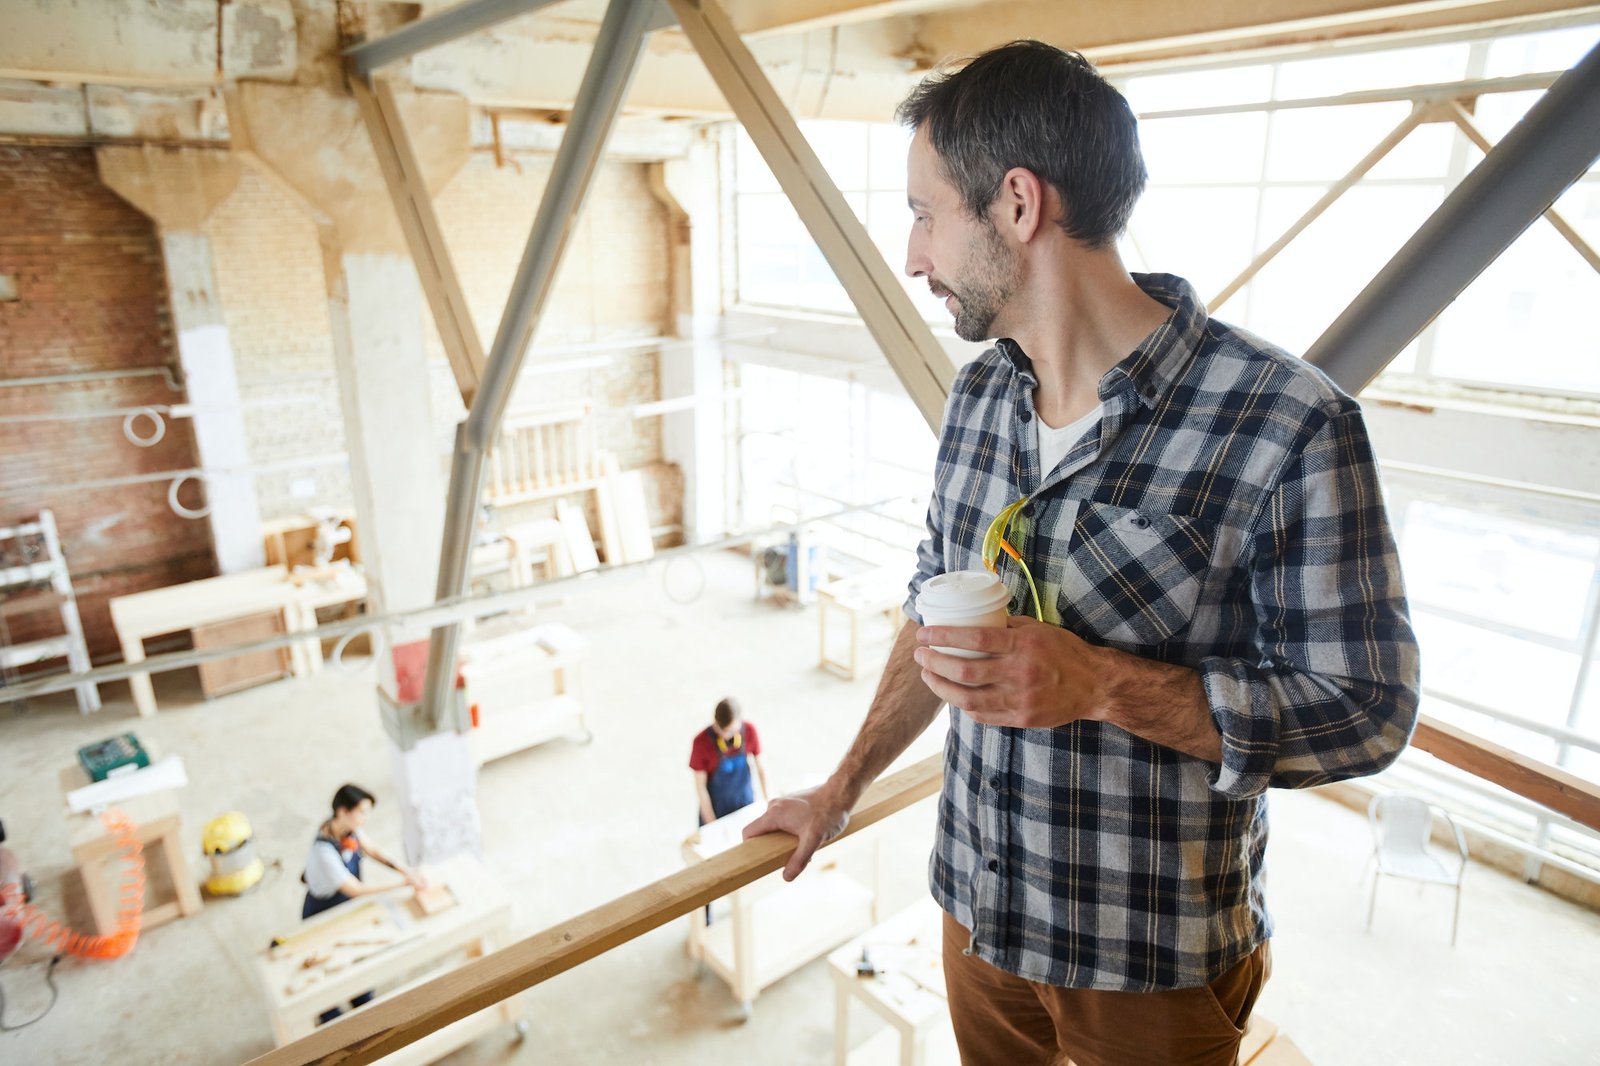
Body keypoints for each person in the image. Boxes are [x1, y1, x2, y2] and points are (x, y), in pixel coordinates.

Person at [744, 41, 1420, 1066]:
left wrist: (1101, 682)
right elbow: (931, 619)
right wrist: (838, 790)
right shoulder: (977, 400)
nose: (912, 255)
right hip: (977, 916)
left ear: (1016, 204)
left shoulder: (1285, 421)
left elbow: (1368, 710)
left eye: (926, 214)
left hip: (1145, 960)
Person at [301, 783, 427, 1024]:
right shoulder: (324, 853)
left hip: (346, 908)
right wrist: (403, 884)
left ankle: (362, 1001)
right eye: (362, 812)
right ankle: (330, 1017)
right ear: (343, 811)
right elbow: (356, 890)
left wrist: (406, 870)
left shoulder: (348, 829)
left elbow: (373, 850)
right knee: (327, 968)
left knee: (355, 957)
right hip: (323, 912)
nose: (365, 818)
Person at [690, 697, 770, 826]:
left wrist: (768, 802)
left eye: (731, 731)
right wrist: (712, 824)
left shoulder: (749, 731)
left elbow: (761, 769)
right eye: (721, 730)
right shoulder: (701, 742)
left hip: (745, 803)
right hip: (716, 808)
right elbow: (700, 787)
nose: (726, 735)